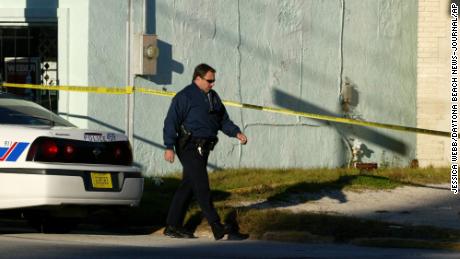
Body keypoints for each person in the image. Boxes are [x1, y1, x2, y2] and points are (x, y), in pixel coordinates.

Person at [163, 63, 248, 240]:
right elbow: (171, 121)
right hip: (188, 146)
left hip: (204, 147)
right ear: (198, 78)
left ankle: (172, 226)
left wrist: (236, 133)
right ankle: (216, 226)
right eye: (209, 81)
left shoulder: (213, 97)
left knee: (188, 186)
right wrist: (169, 147)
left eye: (213, 81)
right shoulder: (185, 96)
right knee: (202, 185)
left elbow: (223, 120)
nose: (212, 84)